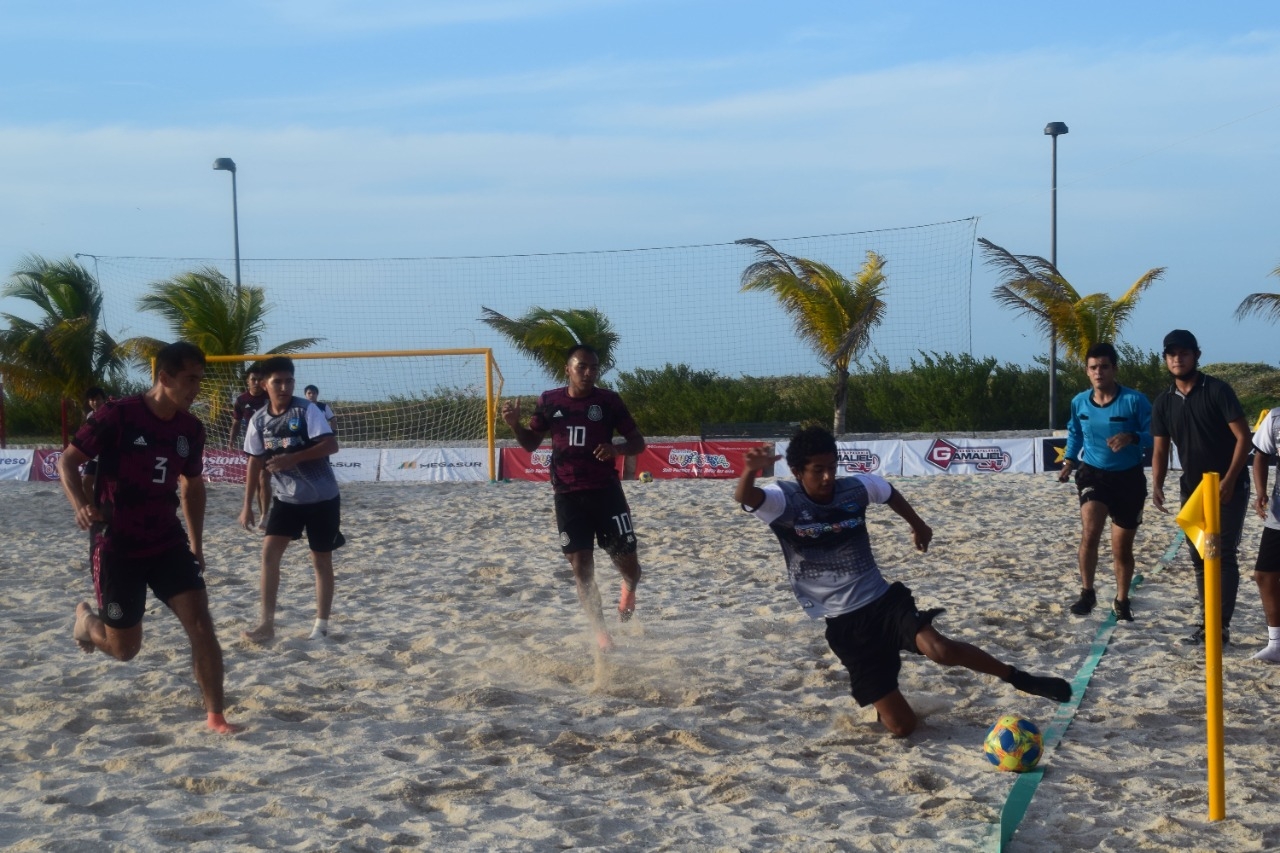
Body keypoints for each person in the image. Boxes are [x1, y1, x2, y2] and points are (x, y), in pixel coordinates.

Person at [736, 426, 1072, 738]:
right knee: (902, 728)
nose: (827, 477)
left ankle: (1018, 677)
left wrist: (919, 525)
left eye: (831, 466)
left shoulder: (855, 488)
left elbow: (888, 491)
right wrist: (751, 470)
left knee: (940, 650)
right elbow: (745, 497)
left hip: (883, 602)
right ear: (797, 472)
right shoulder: (784, 500)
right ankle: (887, 707)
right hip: (845, 625)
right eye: (817, 470)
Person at [56, 341, 240, 734]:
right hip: (117, 544)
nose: (196, 389)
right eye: (190, 380)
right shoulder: (118, 414)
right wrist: (80, 505)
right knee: (125, 651)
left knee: (201, 623)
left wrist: (196, 544)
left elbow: (192, 485)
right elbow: (67, 461)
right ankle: (87, 621)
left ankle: (216, 717)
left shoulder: (191, 429)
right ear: (165, 377)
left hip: (167, 541)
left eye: (199, 381)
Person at [501, 344, 646, 652]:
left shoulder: (609, 401)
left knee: (629, 564)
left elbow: (638, 442)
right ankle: (602, 635)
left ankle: (629, 589)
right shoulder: (549, 401)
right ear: (568, 369)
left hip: (606, 492)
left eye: (594, 368)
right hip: (567, 494)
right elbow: (529, 444)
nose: (589, 373)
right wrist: (515, 426)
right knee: (581, 564)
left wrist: (617, 449)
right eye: (582, 367)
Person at [1151, 329, 1253, 645]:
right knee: (1199, 555)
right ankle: (1207, 621)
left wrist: (1231, 478)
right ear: (1165, 359)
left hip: (1227, 486)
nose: (1177, 359)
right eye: (1171, 354)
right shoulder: (1164, 401)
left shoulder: (1218, 390)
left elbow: (1244, 438)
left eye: (1183, 353)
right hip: (1192, 488)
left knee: (1222, 553)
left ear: (1197, 354)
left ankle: (1219, 627)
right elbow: (1160, 448)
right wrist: (1156, 484)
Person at [240, 356, 344, 643]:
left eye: (288, 381)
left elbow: (331, 444)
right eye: (277, 382)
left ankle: (320, 627)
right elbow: (253, 462)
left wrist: (294, 458)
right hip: (287, 500)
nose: (284, 387)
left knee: (321, 560)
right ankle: (266, 624)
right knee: (269, 554)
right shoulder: (259, 420)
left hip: (322, 497)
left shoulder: (306, 410)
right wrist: (246, 505)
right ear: (263, 385)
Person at [1058, 342, 1153, 621]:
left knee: (1121, 548)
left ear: (1114, 369)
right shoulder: (1079, 402)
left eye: (1104, 367)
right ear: (1087, 372)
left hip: (1129, 478)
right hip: (1093, 474)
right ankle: (1087, 593)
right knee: (1090, 532)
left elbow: (1156, 434)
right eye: (1093, 367)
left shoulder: (1134, 401)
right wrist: (1069, 461)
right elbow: (1075, 433)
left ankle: (1122, 600)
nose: (1099, 372)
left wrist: (1132, 437)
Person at [1248, 408, 1280, 662]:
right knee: (1264, 574)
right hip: (1279, 514)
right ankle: (1276, 643)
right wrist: (1261, 492)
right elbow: (1260, 456)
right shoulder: (1276, 417)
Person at [231, 364, 271, 526]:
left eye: (259, 379)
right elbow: (236, 422)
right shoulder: (241, 400)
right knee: (255, 482)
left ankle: (265, 515)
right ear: (248, 381)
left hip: (270, 444)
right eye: (253, 379)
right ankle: (262, 513)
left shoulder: (270, 397)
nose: (256, 382)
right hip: (251, 445)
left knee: (264, 479)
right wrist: (231, 440)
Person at [80, 386, 108, 508]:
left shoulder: (110, 412)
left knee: (106, 487)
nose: (95, 402)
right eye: (92, 400)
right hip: (95, 456)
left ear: (103, 399)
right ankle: (96, 509)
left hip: (108, 456)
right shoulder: (90, 416)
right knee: (86, 483)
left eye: (98, 399)